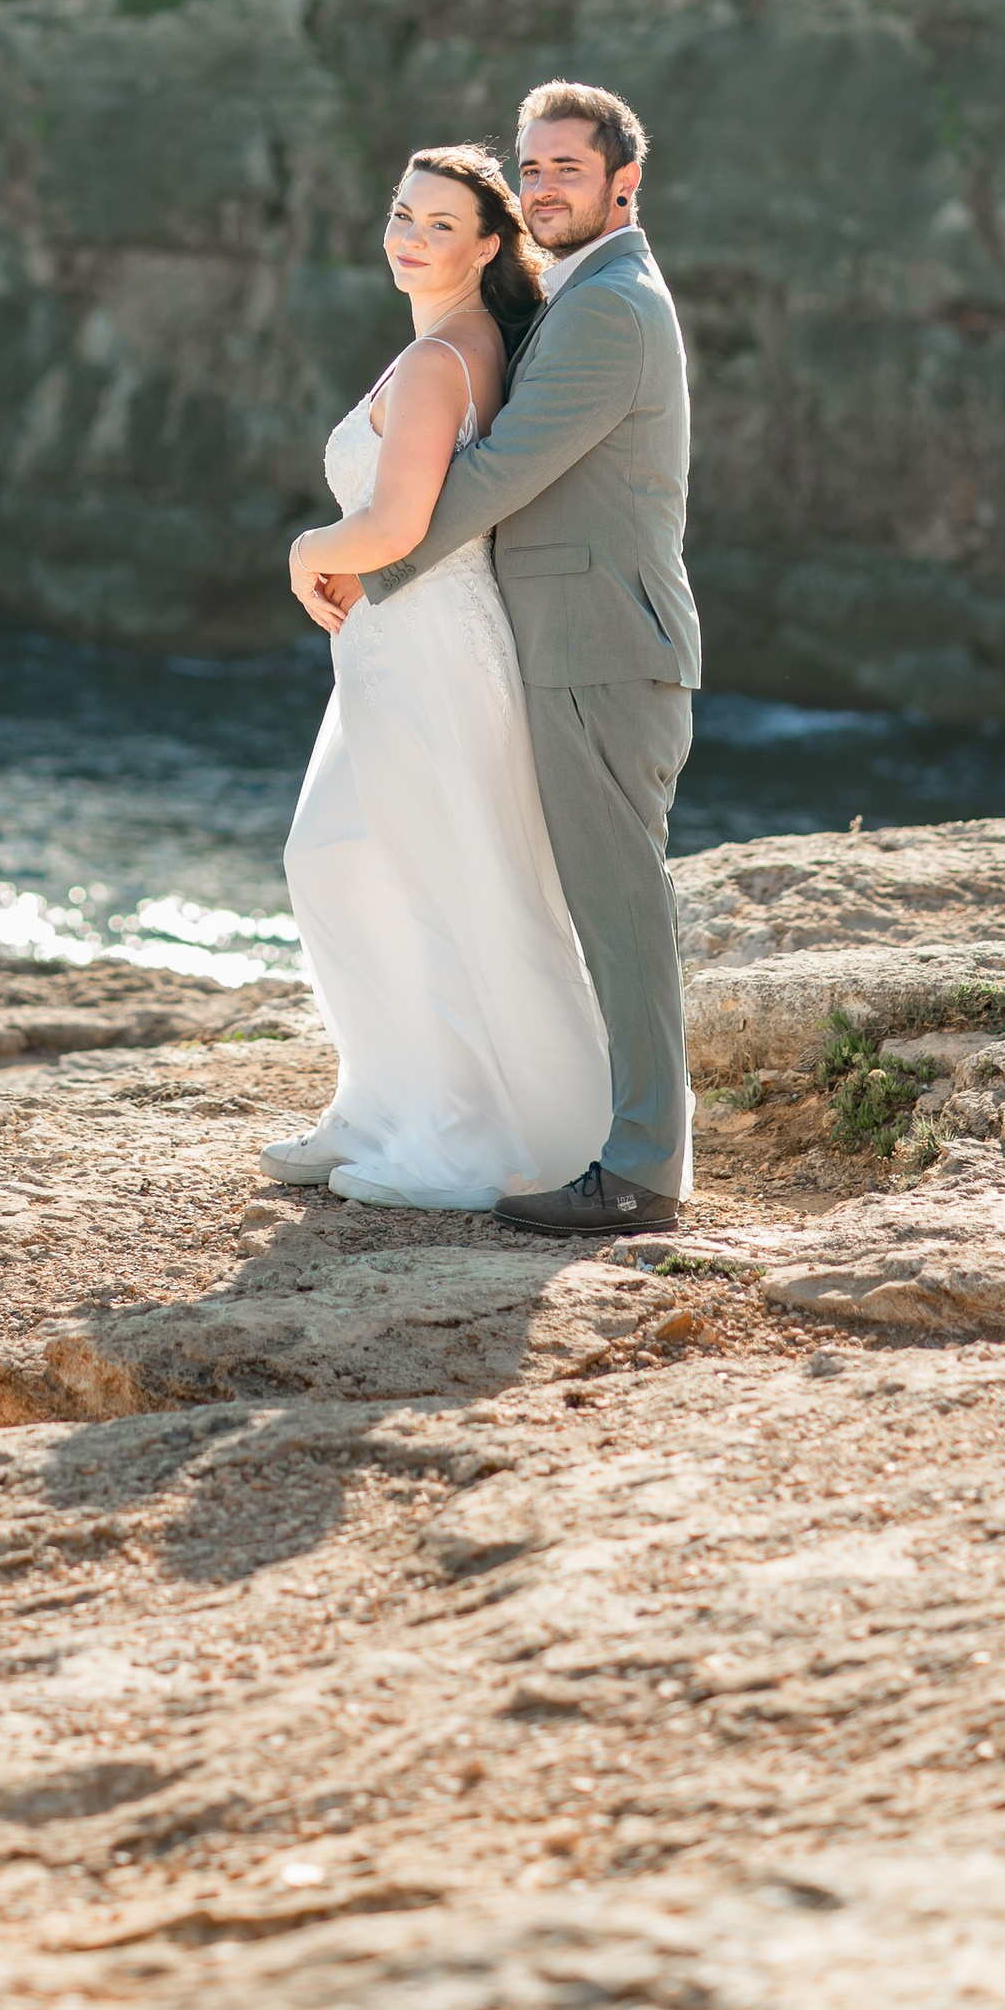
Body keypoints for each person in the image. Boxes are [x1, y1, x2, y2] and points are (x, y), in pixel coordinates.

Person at [285, 81, 699, 1237]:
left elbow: (501, 471)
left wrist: (363, 562)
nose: (546, 185)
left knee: (615, 906)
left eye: (571, 167)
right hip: (552, 639)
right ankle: (437, 1111)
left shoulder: (613, 307)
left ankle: (638, 1168)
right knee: (511, 883)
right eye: (534, 167)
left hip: (600, 645)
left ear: (624, 182)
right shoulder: (574, 297)